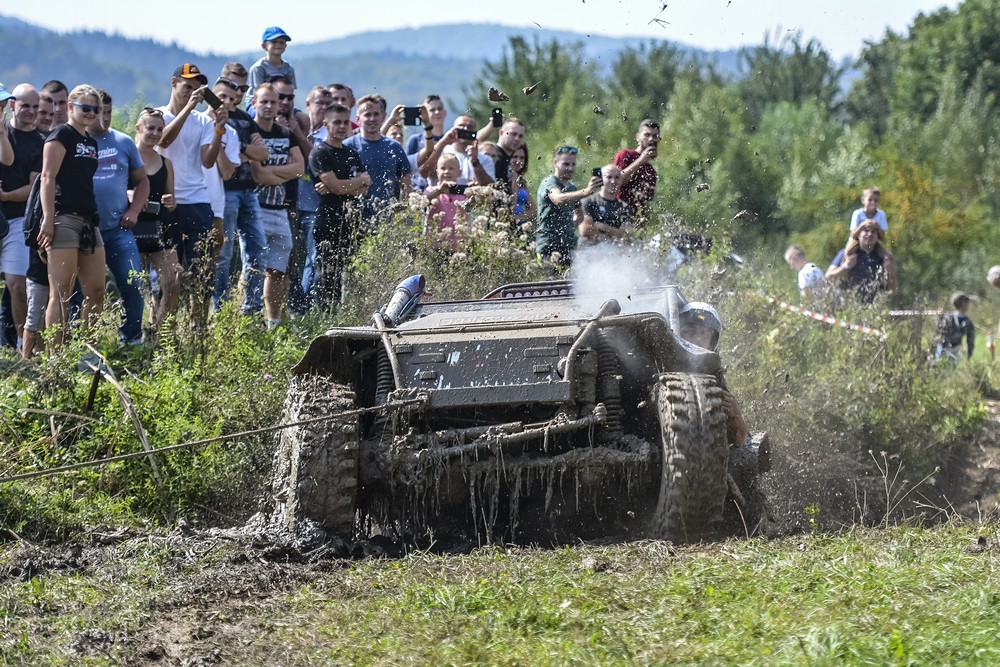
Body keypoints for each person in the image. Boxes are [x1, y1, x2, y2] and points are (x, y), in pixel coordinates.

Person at [156, 63, 229, 319]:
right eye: (187, 86)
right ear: (173, 82)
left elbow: (208, 161)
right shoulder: (157, 116)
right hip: (168, 202)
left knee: (202, 273)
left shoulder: (203, 121)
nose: (192, 92)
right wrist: (188, 108)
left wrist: (219, 128)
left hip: (197, 201)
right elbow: (163, 140)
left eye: (196, 88)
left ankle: (198, 329)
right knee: (170, 278)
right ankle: (163, 329)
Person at [36, 84, 104, 347]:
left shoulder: (90, 141)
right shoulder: (60, 135)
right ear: (70, 106)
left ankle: (87, 352)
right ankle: (56, 358)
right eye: (85, 107)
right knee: (61, 292)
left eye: (95, 109)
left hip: (89, 219)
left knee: (96, 290)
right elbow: (47, 177)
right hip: (63, 217)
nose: (90, 113)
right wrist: (48, 218)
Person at [89, 90, 149, 345]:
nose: (104, 118)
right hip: (86, 231)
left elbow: (142, 181)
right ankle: (82, 343)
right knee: (85, 291)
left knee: (133, 281)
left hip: (117, 229)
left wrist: (133, 210)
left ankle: (132, 338)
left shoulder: (123, 142)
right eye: (99, 112)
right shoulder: (77, 142)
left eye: (109, 112)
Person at [213, 67, 269, 314]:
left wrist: (238, 147)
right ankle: (221, 309)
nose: (233, 95)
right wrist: (245, 152)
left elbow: (263, 154)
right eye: (227, 92)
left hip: (249, 190)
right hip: (225, 191)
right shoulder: (210, 119)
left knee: (258, 249)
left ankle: (251, 309)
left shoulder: (245, 119)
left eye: (240, 89)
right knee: (223, 253)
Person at [250, 83, 303, 329]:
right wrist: (283, 173)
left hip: (280, 208)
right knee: (253, 267)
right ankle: (247, 318)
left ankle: (274, 322)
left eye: (274, 101)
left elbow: (299, 168)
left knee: (277, 270)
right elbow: (256, 174)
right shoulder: (250, 132)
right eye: (264, 101)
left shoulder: (285, 133)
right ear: (254, 103)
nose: (270, 106)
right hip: (256, 207)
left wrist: (271, 172)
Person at [308, 104, 369, 311]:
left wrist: (340, 187)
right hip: (328, 221)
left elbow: (364, 189)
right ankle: (326, 317)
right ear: (326, 124)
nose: (342, 127)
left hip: (352, 221)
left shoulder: (351, 153)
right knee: (328, 275)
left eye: (345, 122)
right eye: (337, 122)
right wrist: (354, 182)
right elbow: (340, 185)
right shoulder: (320, 152)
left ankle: (350, 314)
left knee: (352, 273)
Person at [0, 83, 44, 350]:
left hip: (18, 219)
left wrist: (5, 196)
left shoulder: (41, 143)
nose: (31, 111)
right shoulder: (4, 130)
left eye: (35, 107)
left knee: (17, 284)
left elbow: (34, 187)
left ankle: (21, 344)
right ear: (12, 105)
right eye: (25, 105)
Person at [132, 107, 180, 330]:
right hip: (131, 228)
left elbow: (171, 199)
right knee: (133, 285)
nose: (155, 133)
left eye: (160, 130)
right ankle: (131, 334)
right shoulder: (126, 158)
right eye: (150, 128)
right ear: (138, 128)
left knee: (173, 281)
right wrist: (130, 196)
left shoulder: (166, 162)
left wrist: (170, 201)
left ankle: (159, 331)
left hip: (160, 228)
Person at [677, 301, 747, 447]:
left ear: (712, 341)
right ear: (678, 331)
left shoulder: (714, 374)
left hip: (700, 449)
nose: (697, 338)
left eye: (703, 333)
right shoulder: (659, 361)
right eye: (691, 331)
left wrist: (735, 413)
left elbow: (739, 440)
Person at [291, 85, 333, 312]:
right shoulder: (292, 127)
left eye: (327, 104)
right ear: (308, 105)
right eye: (319, 103)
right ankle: (291, 307)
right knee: (288, 260)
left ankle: (305, 309)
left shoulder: (328, 137)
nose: (323, 108)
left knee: (312, 258)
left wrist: (299, 135)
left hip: (313, 205)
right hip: (290, 202)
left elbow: (315, 161)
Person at [343, 94, 411, 231]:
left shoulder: (394, 147)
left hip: (388, 221)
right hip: (354, 220)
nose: (372, 119)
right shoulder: (347, 147)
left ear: (383, 116)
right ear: (358, 118)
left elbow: (406, 183)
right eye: (367, 115)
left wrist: (404, 213)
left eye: (376, 114)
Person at [535, 145, 600, 268]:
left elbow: (579, 216)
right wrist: (586, 192)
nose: (570, 168)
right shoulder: (549, 182)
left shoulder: (571, 187)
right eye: (565, 164)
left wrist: (568, 225)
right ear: (555, 163)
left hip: (569, 246)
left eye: (573, 164)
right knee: (550, 280)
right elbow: (558, 199)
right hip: (548, 246)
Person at [826, 219, 897, 303]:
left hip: (873, 306)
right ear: (858, 235)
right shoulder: (846, 254)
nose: (869, 234)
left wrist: (889, 273)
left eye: (873, 232)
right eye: (866, 231)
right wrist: (846, 266)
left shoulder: (884, 258)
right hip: (848, 304)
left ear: (877, 237)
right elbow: (828, 277)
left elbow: (891, 290)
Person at [614, 118, 661, 224]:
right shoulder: (625, 155)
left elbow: (647, 201)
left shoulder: (651, 170)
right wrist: (640, 160)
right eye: (647, 135)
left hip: (637, 220)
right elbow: (617, 181)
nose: (651, 139)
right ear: (638, 137)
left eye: (655, 136)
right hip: (619, 214)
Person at [423, 153, 467, 250]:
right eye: (443, 168)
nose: (447, 171)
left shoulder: (464, 193)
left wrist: (475, 190)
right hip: (435, 245)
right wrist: (439, 191)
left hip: (459, 247)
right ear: (437, 172)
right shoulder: (431, 190)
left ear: (459, 172)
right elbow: (423, 202)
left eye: (451, 168)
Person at [578, 164, 630, 247]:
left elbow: (625, 235)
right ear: (601, 179)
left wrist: (602, 226)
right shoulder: (589, 201)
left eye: (617, 177)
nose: (613, 181)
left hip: (612, 250)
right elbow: (586, 230)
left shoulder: (624, 207)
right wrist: (614, 232)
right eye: (609, 177)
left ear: (621, 180)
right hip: (588, 249)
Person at [246, 27, 296, 104]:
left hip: (280, 102)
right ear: (264, 46)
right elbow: (259, 94)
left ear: (285, 46)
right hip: (257, 103)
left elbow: (290, 93)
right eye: (274, 42)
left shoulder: (288, 69)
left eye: (281, 42)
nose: (278, 45)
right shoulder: (258, 68)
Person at [935, 293, 975, 364]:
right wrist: (969, 355)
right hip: (954, 349)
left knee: (939, 366)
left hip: (941, 347)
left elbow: (939, 330)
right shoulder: (967, 321)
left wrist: (940, 318)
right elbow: (970, 341)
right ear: (964, 304)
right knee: (950, 367)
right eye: (967, 303)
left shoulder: (947, 316)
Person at [509, 143, 536, 224]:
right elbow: (511, 205)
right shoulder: (503, 178)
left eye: (522, 158)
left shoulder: (521, 181)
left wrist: (518, 218)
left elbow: (533, 210)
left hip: (519, 225)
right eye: (515, 157)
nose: (518, 161)